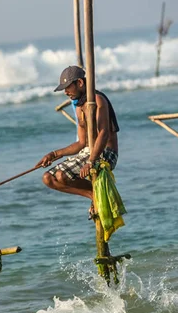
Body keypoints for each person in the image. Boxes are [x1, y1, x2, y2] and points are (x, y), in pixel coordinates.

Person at [38, 66, 119, 218]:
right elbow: (81, 143)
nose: (65, 92)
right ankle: (92, 194)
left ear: (80, 83)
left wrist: (92, 160)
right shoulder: (79, 107)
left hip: (106, 152)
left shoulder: (97, 100)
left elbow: (104, 132)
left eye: (68, 87)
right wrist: (54, 154)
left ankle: (95, 195)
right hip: (87, 151)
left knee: (63, 176)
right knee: (49, 178)